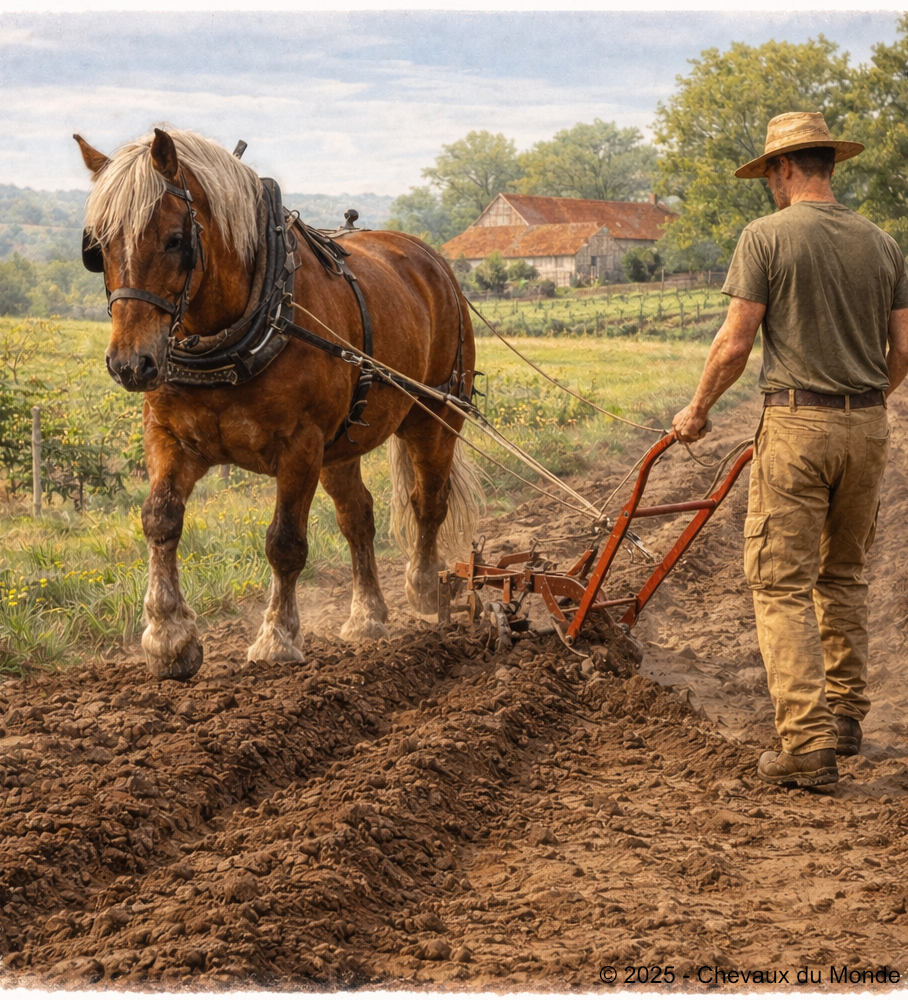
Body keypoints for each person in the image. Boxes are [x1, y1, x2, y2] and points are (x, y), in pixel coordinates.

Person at [672, 111, 908, 788]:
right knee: (843, 575)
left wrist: (697, 411)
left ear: (784, 169)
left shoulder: (766, 237)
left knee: (779, 583)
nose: (768, 187)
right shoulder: (882, 243)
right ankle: (844, 720)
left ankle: (806, 749)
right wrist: (861, 401)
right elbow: (905, 350)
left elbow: (736, 342)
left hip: (798, 428)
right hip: (868, 427)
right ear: (829, 163)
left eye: (768, 175)